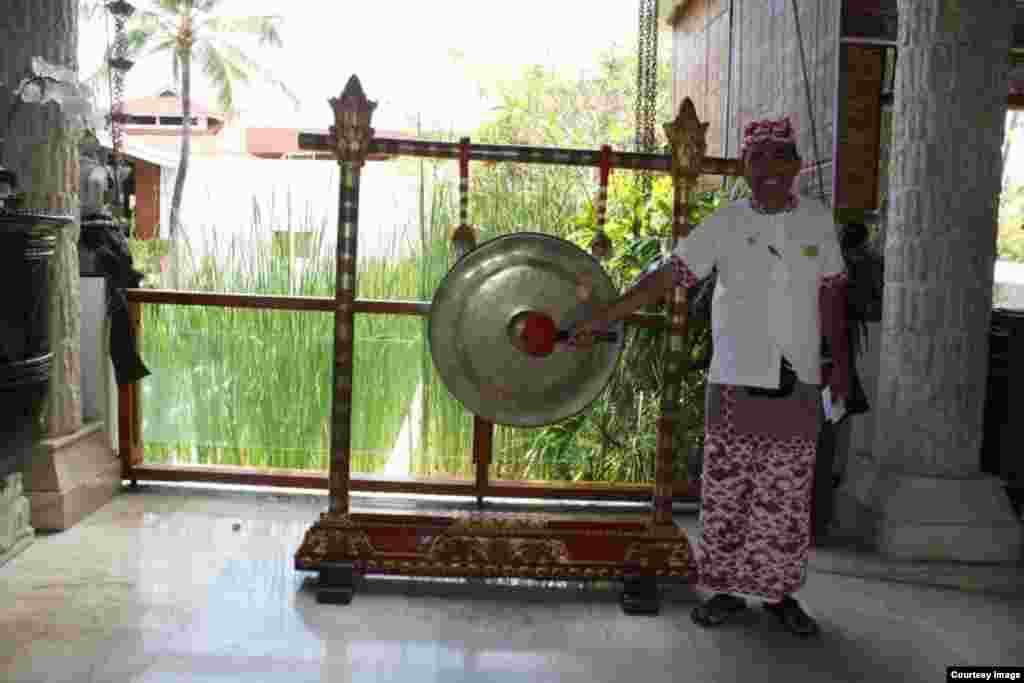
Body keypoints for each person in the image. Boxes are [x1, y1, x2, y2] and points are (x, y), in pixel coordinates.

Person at [571, 117, 849, 637]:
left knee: (786, 497)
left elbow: (833, 293)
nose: (768, 168)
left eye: (779, 156)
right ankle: (724, 591)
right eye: (757, 158)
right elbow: (669, 275)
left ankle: (779, 594)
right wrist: (607, 315)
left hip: (800, 382)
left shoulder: (817, 220)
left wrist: (843, 368)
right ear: (744, 167)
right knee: (727, 492)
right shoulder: (725, 223)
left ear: (795, 164)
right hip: (733, 381)